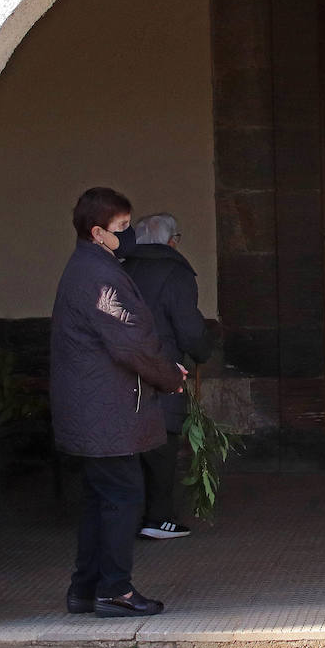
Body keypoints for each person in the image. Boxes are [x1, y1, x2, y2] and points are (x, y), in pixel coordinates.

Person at [50, 187, 186, 618]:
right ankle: (115, 590)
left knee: (100, 500)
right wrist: (169, 377)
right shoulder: (99, 276)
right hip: (106, 412)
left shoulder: (89, 266)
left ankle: (86, 590)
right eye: (122, 229)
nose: (129, 236)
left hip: (95, 410)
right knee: (124, 497)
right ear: (98, 233)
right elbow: (130, 342)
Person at [121, 212, 212, 540]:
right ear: (172, 240)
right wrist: (203, 349)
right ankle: (158, 518)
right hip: (161, 370)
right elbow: (188, 327)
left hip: (120, 372)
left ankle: (127, 517)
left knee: (128, 446)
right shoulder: (174, 271)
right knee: (160, 444)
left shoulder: (121, 268)